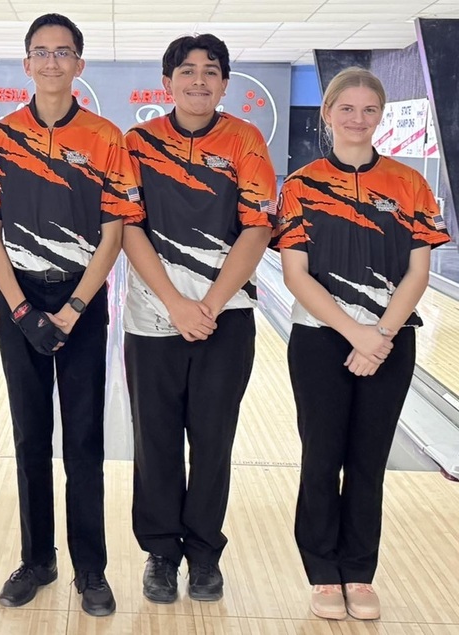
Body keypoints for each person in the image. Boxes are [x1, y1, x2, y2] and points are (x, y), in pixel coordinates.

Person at [0, 13, 143, 617]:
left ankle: (90, 568)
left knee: (84, 439)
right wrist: (19, 307)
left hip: (82, 301)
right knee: (28, 437)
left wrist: (75, 307)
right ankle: (37, 559)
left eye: (62, 52)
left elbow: (115, 230)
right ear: (27, 64)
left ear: (78, 65)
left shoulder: (105, 137)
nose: (51, 62)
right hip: (18, 301)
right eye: (40, 53)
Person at [272, 67, 450, 621]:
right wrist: (356, 334)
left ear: (380, 116)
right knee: (322, 458)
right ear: (327, 115)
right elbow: (295, 274)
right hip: (320, 340)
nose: (356, 119)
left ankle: (359, 571)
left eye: (368, 110)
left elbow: (418, 273)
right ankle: (323, 571)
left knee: (368, 461)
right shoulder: (300, 185)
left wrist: (382, 336)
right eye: (345, 109)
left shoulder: (409, 185)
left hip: (391, 339)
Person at [122, 34, 276, 604]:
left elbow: (257, 226)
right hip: (152, 317)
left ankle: (205, 555)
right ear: (167, 83)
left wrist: (207, 305)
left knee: (214, 441)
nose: (198, 81)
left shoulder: (245, 139)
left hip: (226, 317)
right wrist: (176, 303)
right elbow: (128, 227)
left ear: (225, 82)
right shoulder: (137, 143)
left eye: (210, 72)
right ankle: (162, 554)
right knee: (156, 440)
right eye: (186, 71)